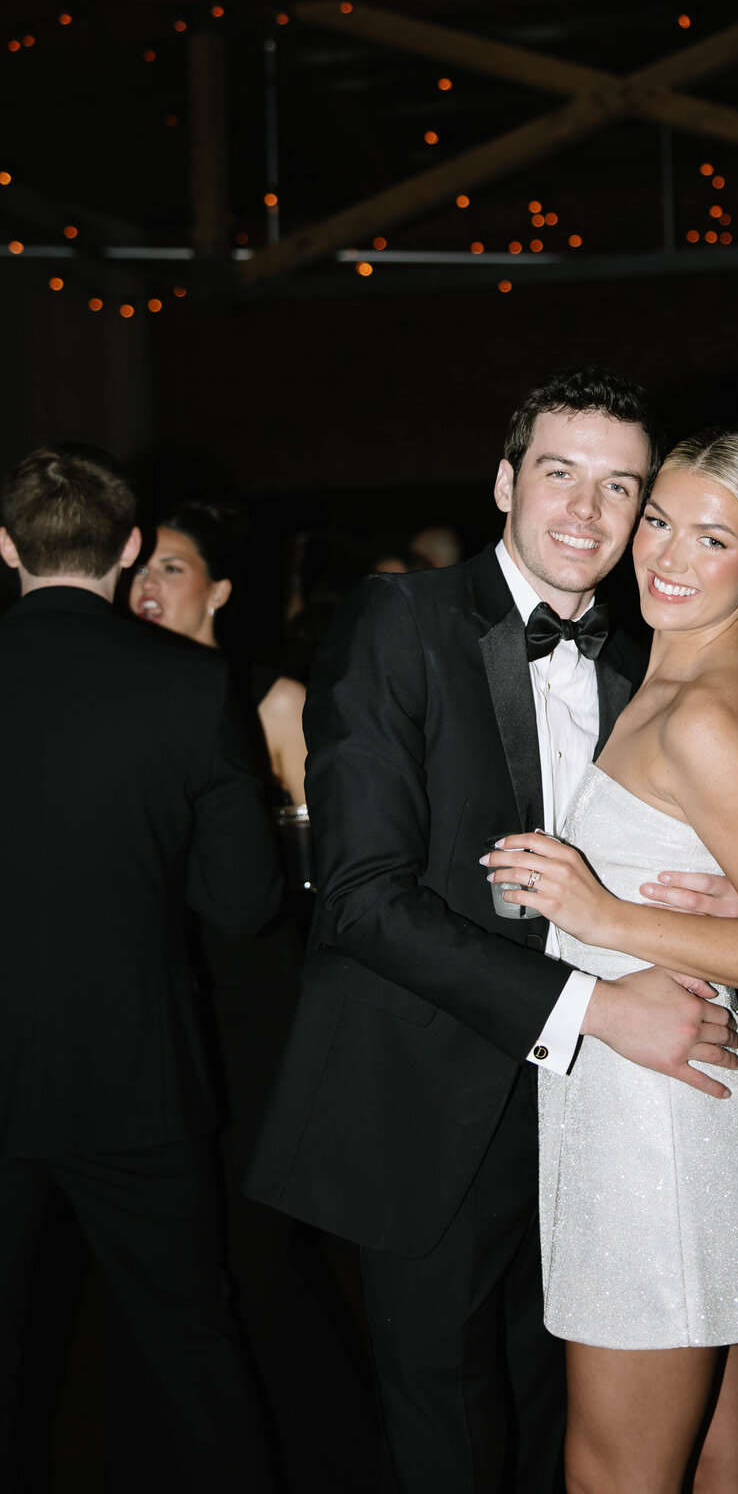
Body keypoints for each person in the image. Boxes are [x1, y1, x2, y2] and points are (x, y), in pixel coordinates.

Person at [248, 369, 738, 1494]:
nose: (586, 511)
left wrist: (721, 905)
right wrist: (597, 1008)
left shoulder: (646, 664)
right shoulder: (401, 621)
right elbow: (363, 897)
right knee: (446, 1430)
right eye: (559, 474)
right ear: (503, 482)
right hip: (425, 1095)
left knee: (551, 1412)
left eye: (621, 488)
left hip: (601, 1113)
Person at [481, 429, 738, 1494]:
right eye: (658, 521)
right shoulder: (674, 676)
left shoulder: (702, 714)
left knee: (612, 1476)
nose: (667, 557)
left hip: (657, 1134)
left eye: (713, 538)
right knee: (724, 1462)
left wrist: (602, 912)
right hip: (667, 1102)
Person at [0, 443, 280, 1492]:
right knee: (192, 1350)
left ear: (3, 547)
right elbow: (242, 902)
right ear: (127, 550)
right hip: (135, 1081)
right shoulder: (190, 684)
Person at [129, 499, 375, 1492]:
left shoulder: (268, 693)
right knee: (189, 1254)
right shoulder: (129, 693)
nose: (148, 586)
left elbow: (333, 863)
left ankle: (342, 1455)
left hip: (261, 992)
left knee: (252, 1251)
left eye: (173, 569)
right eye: (138, 568)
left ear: (221, 591)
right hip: (163, 998)